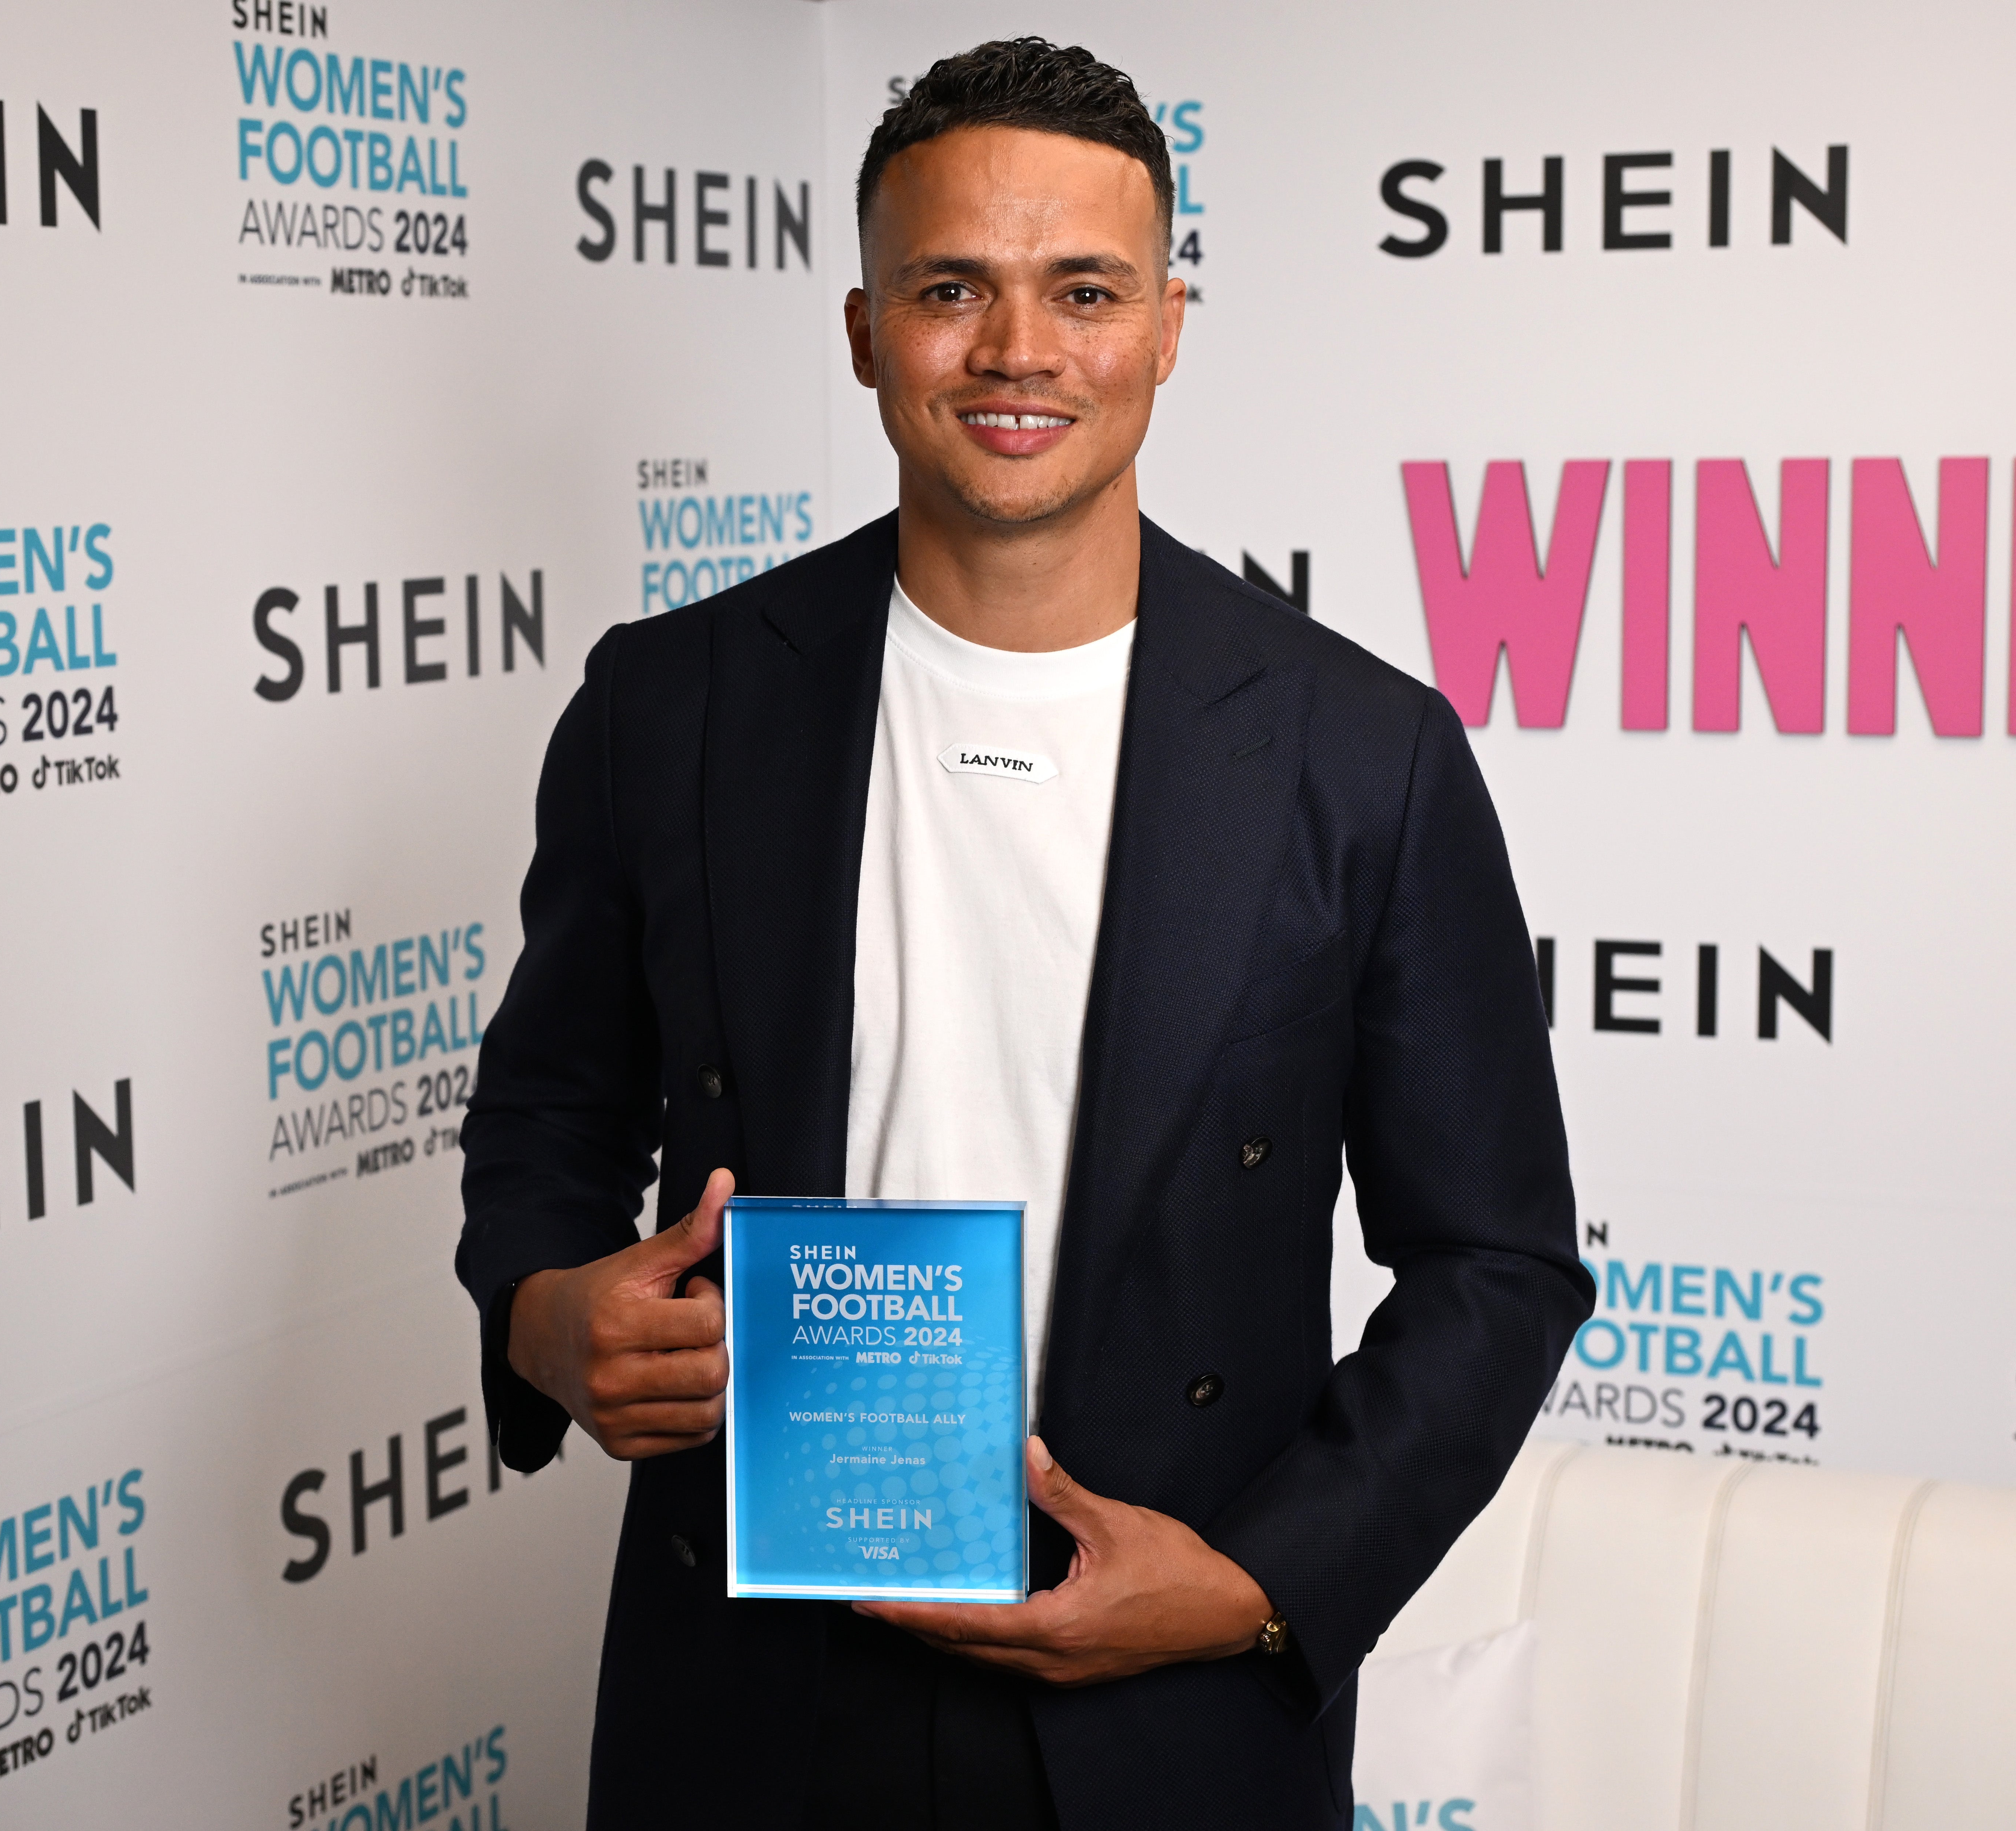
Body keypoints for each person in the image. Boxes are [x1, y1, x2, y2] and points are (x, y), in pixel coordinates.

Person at [455, 37, 1590, 1831]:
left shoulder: (1361, 753)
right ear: (860, 328)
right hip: (748, 1699)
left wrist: (1254, 1580)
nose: (1015, 352)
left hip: (1173, 1699)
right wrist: (539, 1311)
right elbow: (544, 1122)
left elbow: (1496, 1262)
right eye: (948, 290)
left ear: (1164, 326)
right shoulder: (666, 704)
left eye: (1081, 291)